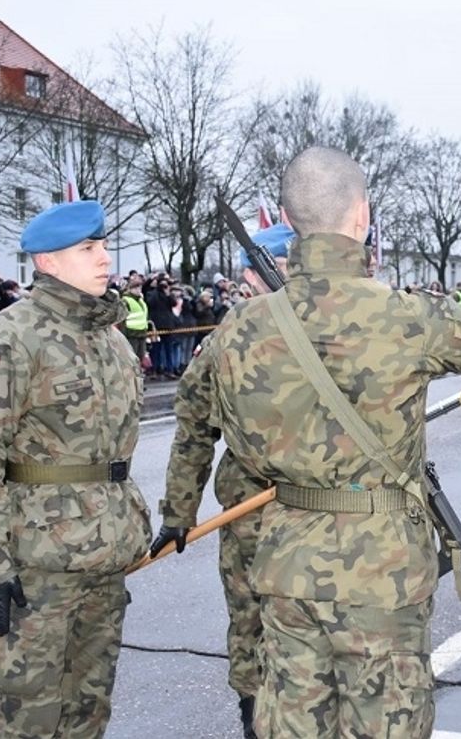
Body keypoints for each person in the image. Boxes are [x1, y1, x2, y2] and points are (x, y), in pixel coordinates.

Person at [197, 146, 461, 738]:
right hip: (381, 569)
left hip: (285, 559)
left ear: (289, 217)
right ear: (361, 216)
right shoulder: (405, 315)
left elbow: (207, 424)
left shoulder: (240, 326)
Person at [0, 200, 152, 737]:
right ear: (47, 263)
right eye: (87, 249)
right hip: (38, 563)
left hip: (106, 555)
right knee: (31, 712)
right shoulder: (11, 336)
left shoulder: (111, 339)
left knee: (89, 708)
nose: (104, 258)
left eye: (102, 246)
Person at [150, 222, 295, 738]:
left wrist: (178, 515)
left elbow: (193, 428)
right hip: (288, 511)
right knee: (280, 622)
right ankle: (262, 715)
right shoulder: (234, 334)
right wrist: (176, 514)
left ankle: (256, 716)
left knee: (253, 619)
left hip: (263, 510)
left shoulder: (231, 332)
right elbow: (195, 423)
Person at [120, 274, 150, 368]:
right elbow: (122, 319)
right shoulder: (125, 300)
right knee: (132, 357)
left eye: (139, 288)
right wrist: (123, 335)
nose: (138, 290)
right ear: (130, 289)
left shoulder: (141, 300)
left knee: (141, 356)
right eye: (136, 288)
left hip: (142, 332)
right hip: (131, 333)